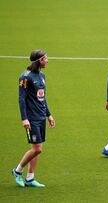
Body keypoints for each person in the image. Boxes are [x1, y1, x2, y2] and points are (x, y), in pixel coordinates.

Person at [12, 50, 55, 188]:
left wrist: (49, 115)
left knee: (36, 148)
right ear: (39, 61)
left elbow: (42, 98)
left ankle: (30, 178)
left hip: (41, 116)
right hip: (31, 118)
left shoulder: (42, 75)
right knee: (37, 149)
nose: (47, 61)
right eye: (45, 59)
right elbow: (21, 99)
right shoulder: (25, 77)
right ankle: (17, 171)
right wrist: (24, 119)